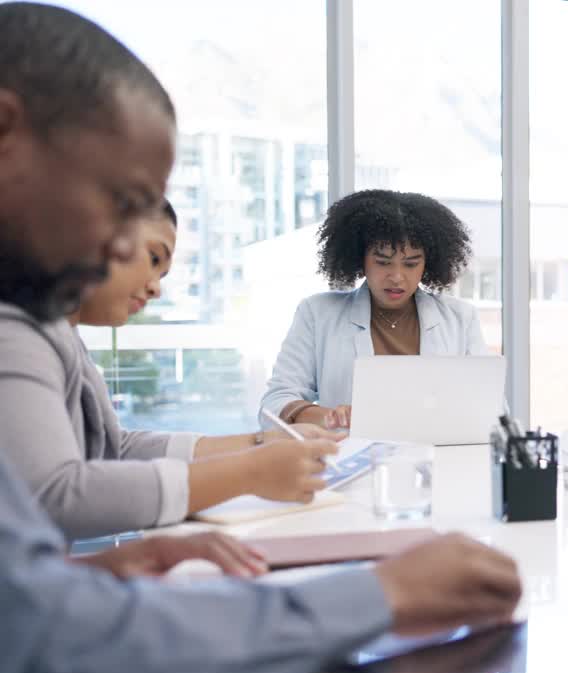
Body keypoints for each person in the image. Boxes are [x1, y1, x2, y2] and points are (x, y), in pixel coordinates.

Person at [0, 5, 521, 673]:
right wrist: (380, 594)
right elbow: (53, 650)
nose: (124, 256)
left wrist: (90, 569)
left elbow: (23, 601)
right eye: (123, 205)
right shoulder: (17, 328)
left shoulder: (35, 322)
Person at [0, 202, 341, 540]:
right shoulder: (18, 331)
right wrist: (250, 471)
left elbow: (112, 449)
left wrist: (258, 442)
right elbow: (53, 496)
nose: (156, 288)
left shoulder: (62, 334)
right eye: (153, 259)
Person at [261, 189, 487, 429]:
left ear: (427, 263)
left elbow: (490, 407)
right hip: (349, 458)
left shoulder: (460, 318)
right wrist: (330, 417)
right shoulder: (317, 313)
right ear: (360, 259)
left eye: (411, 264)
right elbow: (276, 402)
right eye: (382, 262)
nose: (397, 277)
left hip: (436, 458)